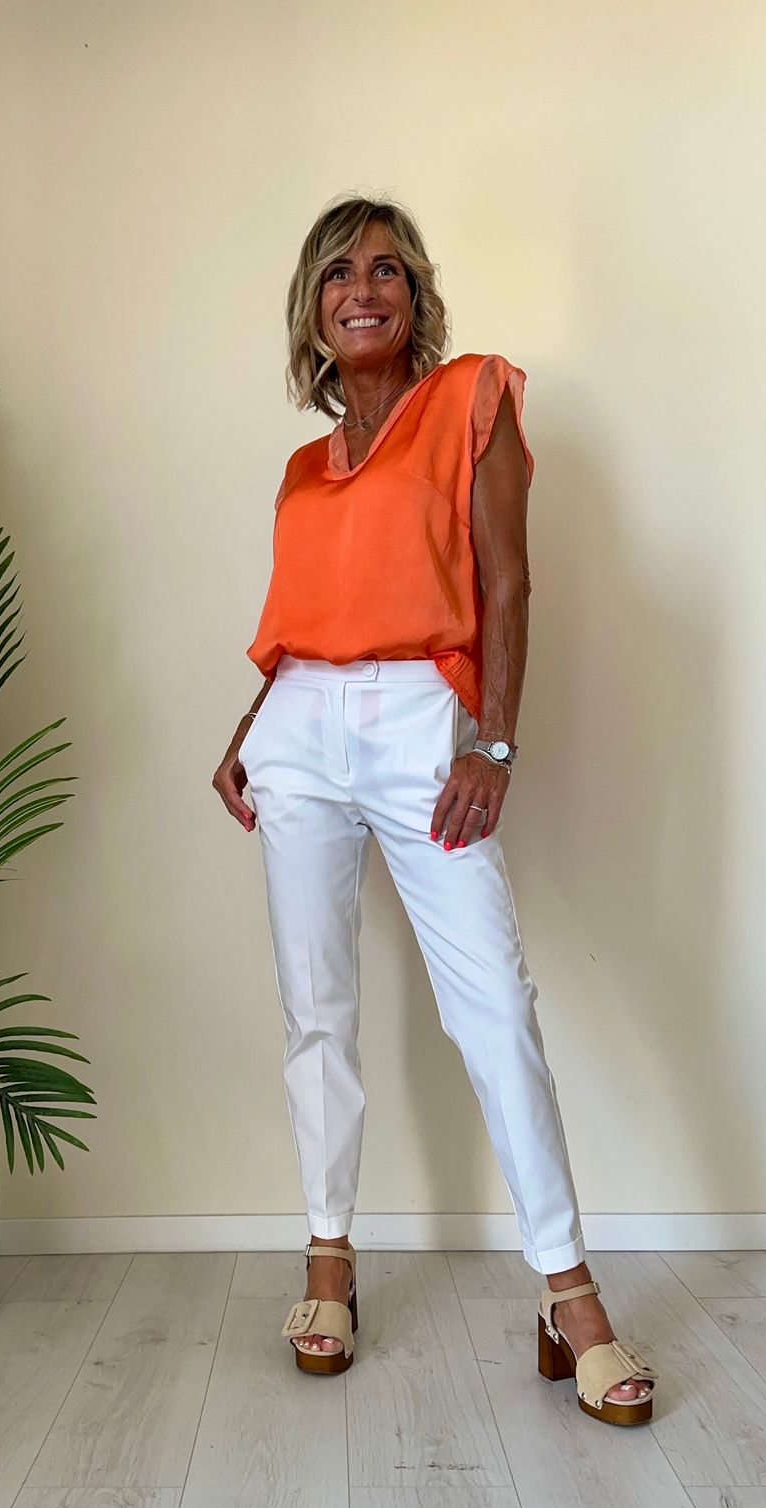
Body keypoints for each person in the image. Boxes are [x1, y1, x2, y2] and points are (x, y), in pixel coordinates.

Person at [212, 193, 657, 1426]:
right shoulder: (302, 467)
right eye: (337, 273)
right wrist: (249, 731)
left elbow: (507, 579)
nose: (361, 290)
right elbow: (303, 624)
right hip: (297, 728)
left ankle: (567, 1295)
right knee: (315, 1007)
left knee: (491, 1007)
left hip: (421, 722)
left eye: (385, 270)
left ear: (414, 298)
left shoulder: (470, 399)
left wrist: (492, 742)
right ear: (311, 309)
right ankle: (326, 1258)